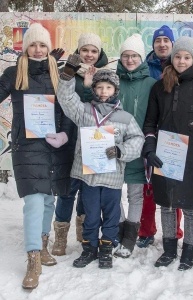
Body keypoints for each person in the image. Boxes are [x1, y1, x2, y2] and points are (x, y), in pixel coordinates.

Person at [0, 23, 73, 289]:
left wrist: (65, 134)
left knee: (47, 200)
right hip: (27, 145)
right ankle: (33, 258)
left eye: (43, 45)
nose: (39, 49)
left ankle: (43, 245)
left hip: (54, 145)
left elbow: (66, 109)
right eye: (34, 44)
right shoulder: (14, 72)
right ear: (26, 47)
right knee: (33, 200)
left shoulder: (58, 73)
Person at [142, 36, 193, 271]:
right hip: (166, 154)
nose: (181, 60)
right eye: (177, 56)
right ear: (171, 58)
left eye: (187, 57)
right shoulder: (160, 86)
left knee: (190, 207)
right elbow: (150, 122)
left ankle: (189, 251)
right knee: (167, 204)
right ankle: (169, 250)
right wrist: (149, 146)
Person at [57, 56, 144, 269]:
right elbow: (67, 100)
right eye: (100, 87)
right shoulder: (85, 111)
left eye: (108, 87)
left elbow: (137, 139)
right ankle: (89, 249)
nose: (104, 91)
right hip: (88, 177)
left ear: (115, 91)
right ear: (94, 89)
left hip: (112, 178)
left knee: (112, 215)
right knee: (91, 215)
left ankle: (106, 248)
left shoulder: (124, 117)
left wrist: (121, 150)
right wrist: (68, 75)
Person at [52, 32, 108, 256]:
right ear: (78, 51)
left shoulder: (105, 75)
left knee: (88, 190)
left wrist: (88, 87)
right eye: (85, 50)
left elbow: (101, 105)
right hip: (69, 137)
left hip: (93, 141)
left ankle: (83, 229)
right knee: (67, 190)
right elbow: (62, 102)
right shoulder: (68, 72)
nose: (89, 55)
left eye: (94, 51)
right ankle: (60, 236)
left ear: (99, 53)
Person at [137, 25, 184, 248]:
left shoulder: (183, 67)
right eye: (158, 40)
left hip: (174, 137)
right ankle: (146, 230)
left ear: (173, 44)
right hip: (149, 132)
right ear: (153, 45)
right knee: (148, 186)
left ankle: (174, 229)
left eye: (167, 40)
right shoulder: (144, 68)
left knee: (173, 187)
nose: (162, 44)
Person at [112, 33, 156, 258]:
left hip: (138, 147)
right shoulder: (113, 81)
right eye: (126, 56)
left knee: (136, 194)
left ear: (141, 58)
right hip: (114, 146)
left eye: (134, 56)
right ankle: (118, 232)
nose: (129, 60)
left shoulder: (151, 84)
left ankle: (130, 237)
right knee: (113, 192)